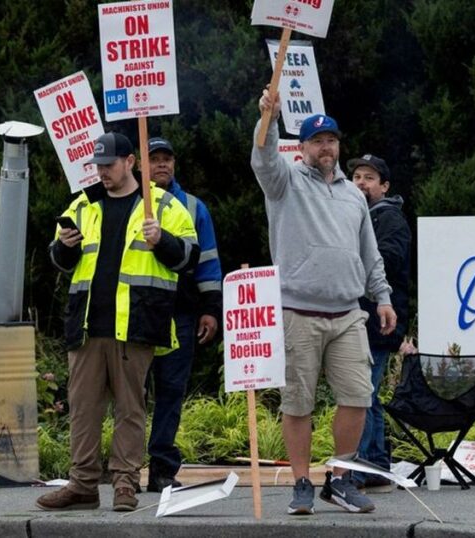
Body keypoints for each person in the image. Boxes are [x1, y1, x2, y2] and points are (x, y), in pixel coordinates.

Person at [251, 92, 396, 515]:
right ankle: (301, 483)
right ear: (302, 148)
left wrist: (382, 297)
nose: (325, 147)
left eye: (331, 140)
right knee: (298, 402)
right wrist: (269, 118)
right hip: (298, 311)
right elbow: (262, 158)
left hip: (349, 312)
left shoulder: (354, 195)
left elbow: (369, 253)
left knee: (357, 397)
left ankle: (340, 479)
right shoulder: (284, 182)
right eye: (317, 140)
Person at [37, 132, 199, 512]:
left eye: (109, 164)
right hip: (88, 325)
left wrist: (163, 240)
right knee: (83, 408)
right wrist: (65, 245)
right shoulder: (81, 205)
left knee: (130, 409)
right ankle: (82, 485)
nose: (102, 172)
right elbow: (58, 259)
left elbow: (190, 258)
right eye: (98, 165)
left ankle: (125, 483)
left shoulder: (162, 205)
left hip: (137, 323)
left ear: (130, 162)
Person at [142, 136, 223, 492]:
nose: (162, 164)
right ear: (139, 165)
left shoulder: (193, 206)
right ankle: (126, 468)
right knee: (130, 394)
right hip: (137, 312)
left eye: (167, 159)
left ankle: (161, 469)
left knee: (172, 391)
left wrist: (210, 309)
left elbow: (208, 262)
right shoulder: (128, 202)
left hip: (180, 312)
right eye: (154, 158)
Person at [347, 154, 412, 492]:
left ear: (384, 187)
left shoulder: (389, 220)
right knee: (366, 394)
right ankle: (372, 464)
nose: (361, 182)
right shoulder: (357, 217)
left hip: (378, 322)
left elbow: (384, 261)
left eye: (369, 177)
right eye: (357, 176)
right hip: (361, 320)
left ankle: (364, 467)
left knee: (363, 394)